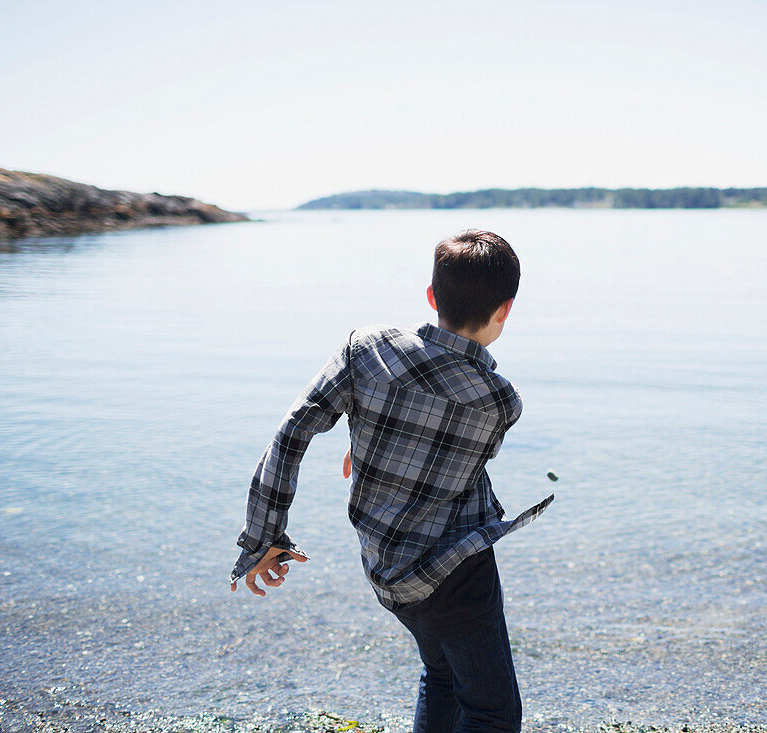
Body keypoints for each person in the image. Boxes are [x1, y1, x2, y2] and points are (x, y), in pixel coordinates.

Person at [229, 229, 553, 733]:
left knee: (440, 676)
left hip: (388, 570)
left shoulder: (367, 348)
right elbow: (454, 467)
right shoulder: (499, 400)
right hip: (457, 575)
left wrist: (263, 537)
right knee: (492, 712)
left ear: (431, 296)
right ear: (505, 309)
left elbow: (293, 431)